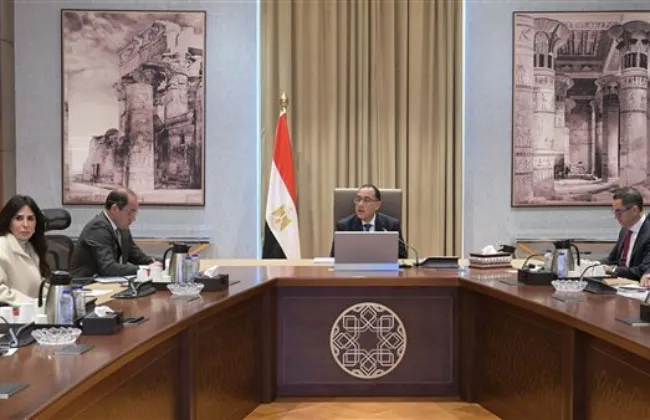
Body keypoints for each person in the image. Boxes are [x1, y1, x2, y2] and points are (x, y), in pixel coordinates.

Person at [70, 188, 155, 278]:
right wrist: (144, 269)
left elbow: (135, 255)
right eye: (131, 213)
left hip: (108, 282)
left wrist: (155, 264)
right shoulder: (98, 228)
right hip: (85, 283)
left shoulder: (122, 228)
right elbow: (108, 267)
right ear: (115, 209)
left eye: (135, 213)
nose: (133, 218)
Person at [330, 184, 407, 259]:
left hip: (382, 267)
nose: (360, 204)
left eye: (366, 200)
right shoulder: (344, 226)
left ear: (377, 205)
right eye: (358, 199)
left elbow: (402, 257)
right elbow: (334, 258)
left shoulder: (391, 225)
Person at [0, 195, 50, 302]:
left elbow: (40, 287)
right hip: (12, 311)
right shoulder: (2, 246)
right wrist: (31, 303)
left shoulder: (30, 248)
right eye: (19, 218)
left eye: (30, 219)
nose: (26, 225)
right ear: (8, 222)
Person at [601, 187, 650, 281]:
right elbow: (611, 260)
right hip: (618, 283)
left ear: (634, 210)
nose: (616, 217)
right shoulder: (624, 230)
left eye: (619, 212)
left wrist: (614, 270)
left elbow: (643, 270)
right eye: (614, 211)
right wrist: (593, 265)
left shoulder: (648, 233)